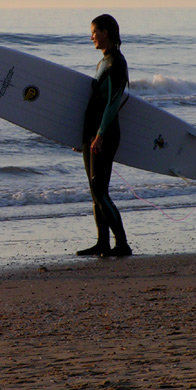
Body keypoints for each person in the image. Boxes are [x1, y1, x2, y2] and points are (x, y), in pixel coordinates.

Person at [77, 14, 132, 257]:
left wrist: (99, 135)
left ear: (106, 32)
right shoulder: (104, 62)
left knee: (100, 192)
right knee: (95, 191)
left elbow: (112, 103)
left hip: (104, 135)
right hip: (92, 135)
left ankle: (122, 244)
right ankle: (102, 243)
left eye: (94, 32)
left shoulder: (115, 64)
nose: (91, 37)